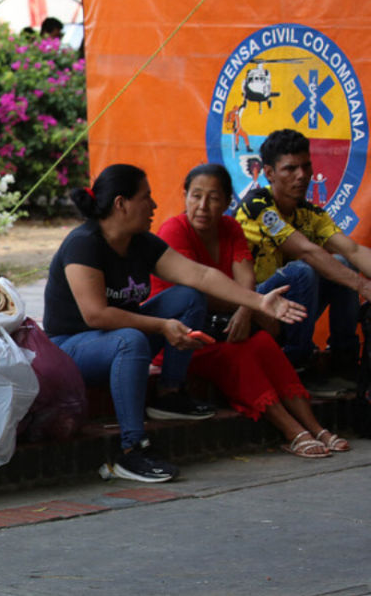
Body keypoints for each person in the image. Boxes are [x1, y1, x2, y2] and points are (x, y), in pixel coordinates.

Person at [44, 164, 306, 483]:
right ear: (120, 204)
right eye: (146, 197)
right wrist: (160, 326)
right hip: (72, 349)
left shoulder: (140, 241)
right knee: (132, 338)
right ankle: (132, 451)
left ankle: (170, 394)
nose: (154, 205)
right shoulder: (84, 243)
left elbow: (201, 275)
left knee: (188, 296)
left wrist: (256, 301)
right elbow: (95, 315)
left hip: (117, 340)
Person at [151, 164, 349, 456]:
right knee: (240, 353)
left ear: (228, 202)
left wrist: (248, 308)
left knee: (263, 343)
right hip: (181, 338)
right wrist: (252, 307)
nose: (203, 206)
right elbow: (202, 290)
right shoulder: (174, 230)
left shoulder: (230, 227)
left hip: (220, 328)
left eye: (214, 198)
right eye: (195, 196)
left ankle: (315, 427)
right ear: (185, 197)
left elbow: (246, 279)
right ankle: (293, 432)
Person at [235, 129, 371, 389]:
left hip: (287, 309)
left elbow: (353, 250)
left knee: (343, 263)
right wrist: (363, 286)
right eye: (290, 169)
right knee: (304, 270)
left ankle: (344, 361)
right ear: (269, 173)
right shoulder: (257, 206)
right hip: (252, 308)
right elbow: (307, 251)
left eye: (306, 166)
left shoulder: (309, 213)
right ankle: (297, 363)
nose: (302, 175)